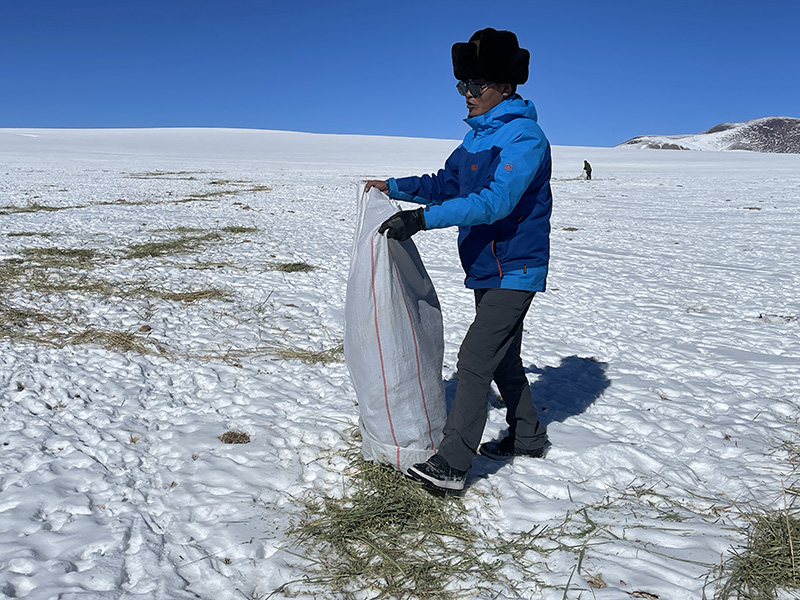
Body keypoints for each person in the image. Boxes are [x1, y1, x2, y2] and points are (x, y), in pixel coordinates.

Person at [364, 27, 551, 493]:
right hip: (489, 267)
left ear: (505, 87)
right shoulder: (475, 140)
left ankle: (452, 463)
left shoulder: (523, 138)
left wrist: (422, 220)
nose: (466, 95)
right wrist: (394, 186)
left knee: (474, 359)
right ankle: (528, 436)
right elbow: (447, 183)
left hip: (516, 267)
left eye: (475, 86)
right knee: (503, 357)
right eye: (461, 85)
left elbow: (495, 202)